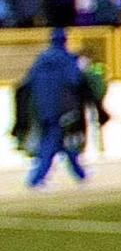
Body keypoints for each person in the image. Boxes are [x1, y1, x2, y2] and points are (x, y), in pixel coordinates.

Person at [15, 25, 88, 188]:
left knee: (60, 142)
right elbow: (75, 81)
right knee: (53, 142)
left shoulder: (41, 59)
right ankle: (37, 179)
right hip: (62, 108)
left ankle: (80, 174)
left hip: (42, 108)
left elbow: (27, 84)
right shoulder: (67, 59)